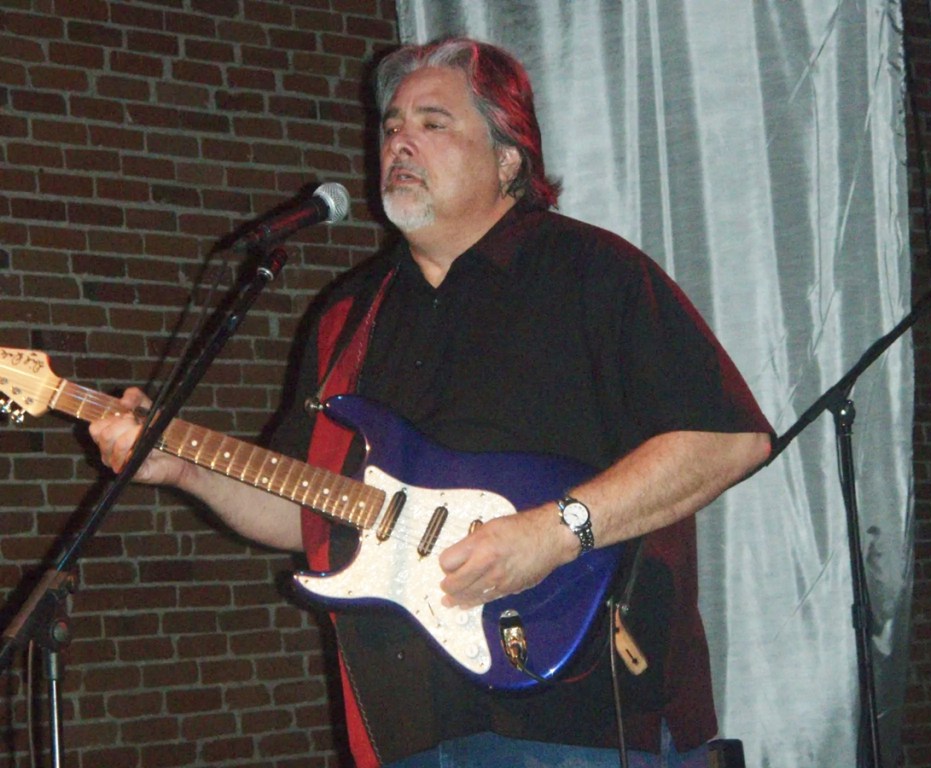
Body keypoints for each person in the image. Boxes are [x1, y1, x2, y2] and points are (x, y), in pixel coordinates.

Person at [89, 37, 773, 768]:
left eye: (433, 122)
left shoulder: (591, 271)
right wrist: (186, 468)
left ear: (510, 157)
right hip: (407, 720)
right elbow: (309, 510)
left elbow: (727, 438)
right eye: (390, 126)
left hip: (583, 715)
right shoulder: (348, 317)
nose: (400, 142)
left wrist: (557, 530)